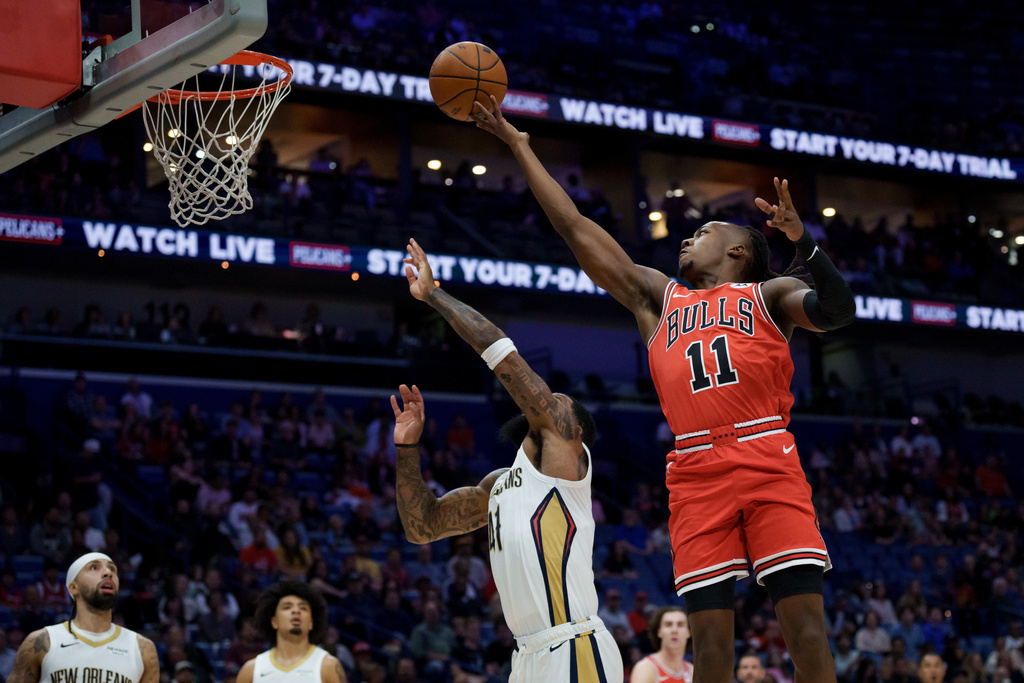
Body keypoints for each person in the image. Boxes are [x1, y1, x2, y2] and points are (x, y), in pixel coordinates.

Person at [475, 98, 855, 683]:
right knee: (710, 648)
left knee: (805, 631)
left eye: (703, 232)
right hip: (696, 467)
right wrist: (521, 147)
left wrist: (804, 244)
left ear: (738, 252)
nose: (687, 239)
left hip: (765, 453)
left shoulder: (769, 294)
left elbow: (836, 312)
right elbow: (575, 227)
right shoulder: (658, 300)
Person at [393, 238, 622, 683]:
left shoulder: (567, 461)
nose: (547, 399)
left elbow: (504, 358)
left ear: (574, 432)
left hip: (574, 643)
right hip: (527, 656)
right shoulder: (498, 484)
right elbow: (423, 528)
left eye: (559, 402)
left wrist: (434, 294)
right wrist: (407, 450)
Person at [5, 552, 160, 683]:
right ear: (73, 587)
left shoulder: (142, 648)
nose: (108, 573)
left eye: (112, 569)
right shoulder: (40, 641)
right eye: (94, 568)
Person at [236, 581, 346, 683]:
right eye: (287, 607)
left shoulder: (328, 665)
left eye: (303, 608)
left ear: (311, 622)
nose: (296, 611)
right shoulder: (251, 670)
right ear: (274, 621)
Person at [631, 607, 693, 683]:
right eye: (668, 625)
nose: (674, 630)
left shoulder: (692, 671)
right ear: (659, 632)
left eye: (680, 625)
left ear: (688, 632)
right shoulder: (646, 668)